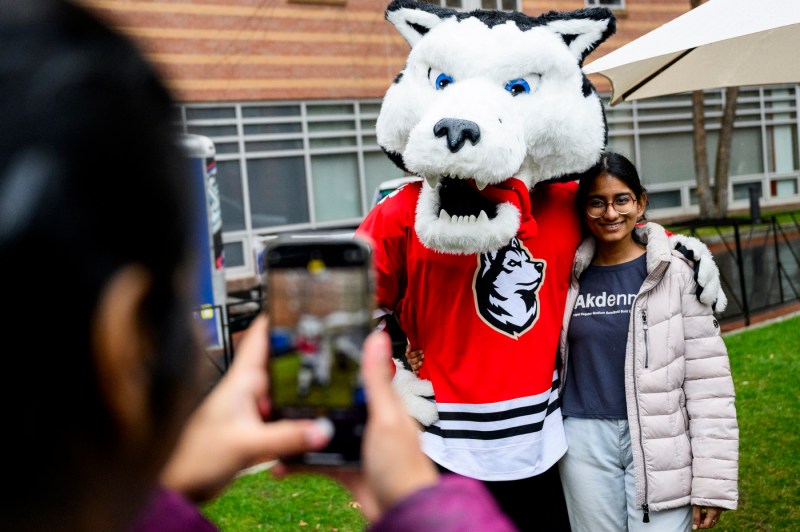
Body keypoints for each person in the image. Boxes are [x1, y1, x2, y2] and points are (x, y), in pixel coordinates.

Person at [0, 1, 518, 531]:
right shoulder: (396, 215)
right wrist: (420, 498)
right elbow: (376, 297)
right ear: (128, 338)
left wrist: (167, 488)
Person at [556, 152, 739, 531]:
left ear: (640, 202)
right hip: (584, 441)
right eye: (597, 202)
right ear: (583, 208)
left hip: (661, 440)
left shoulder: (676, 273)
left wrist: (711, 484)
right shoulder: (567, 277)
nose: (610, 213)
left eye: (621, 199)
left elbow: (709, 386)